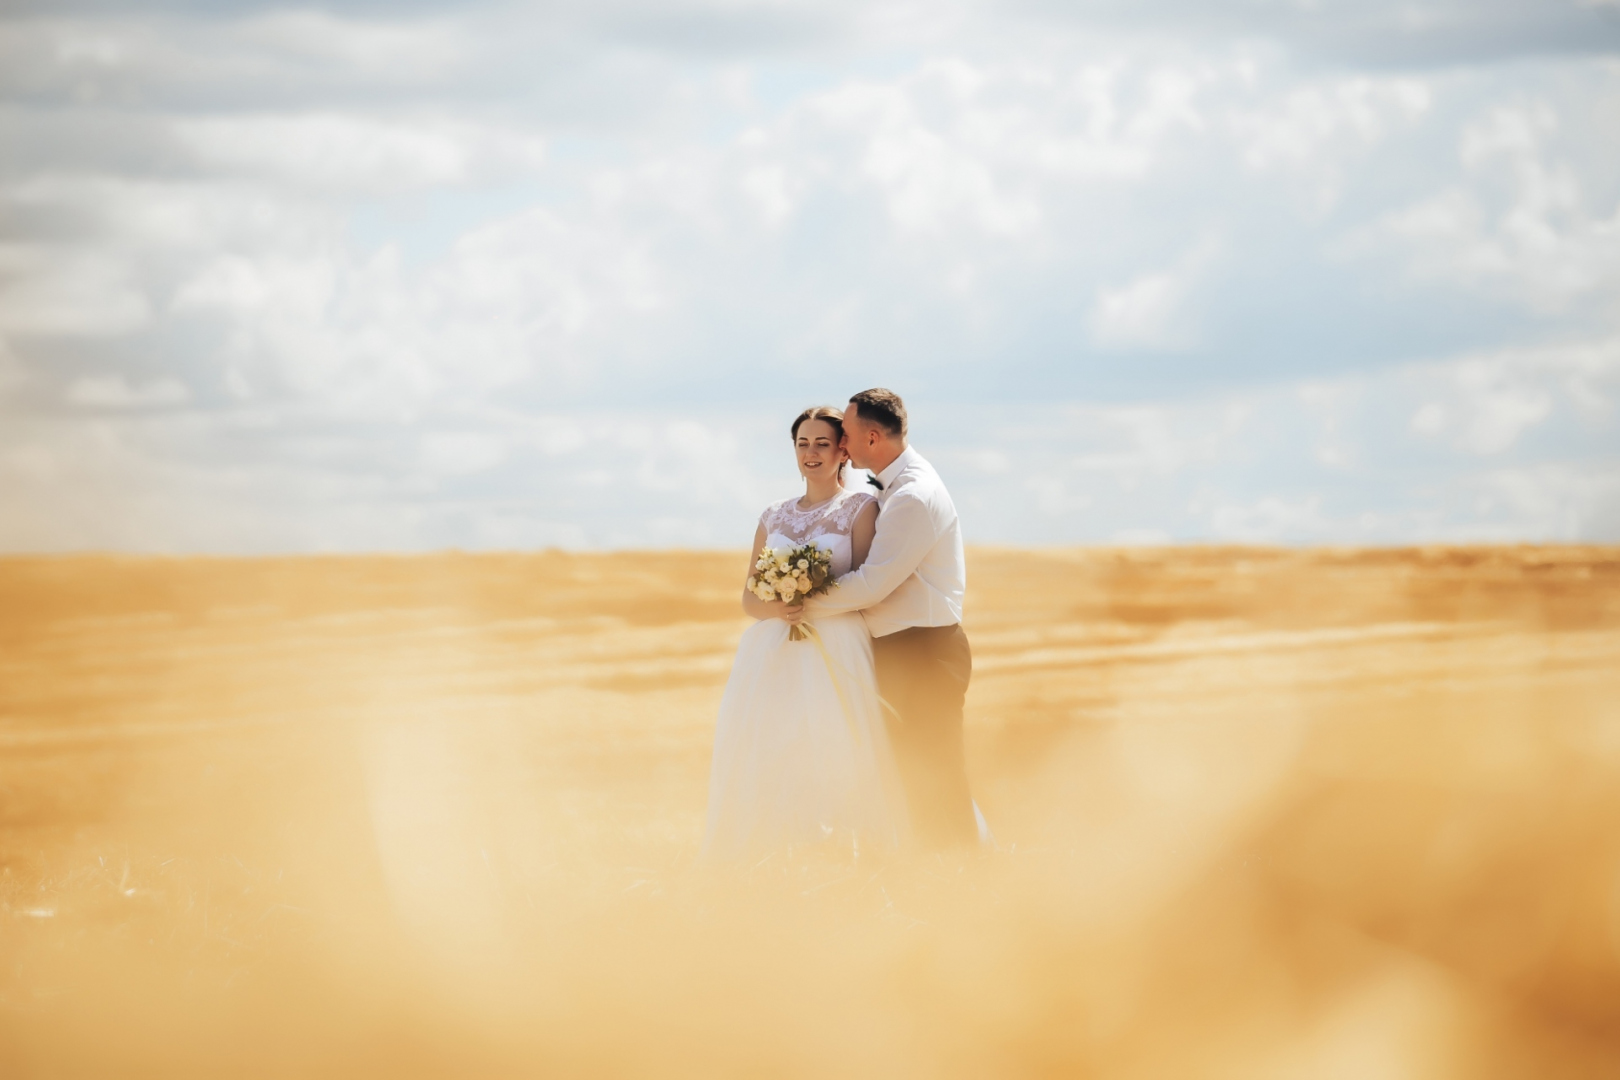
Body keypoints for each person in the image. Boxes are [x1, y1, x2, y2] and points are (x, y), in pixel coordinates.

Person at [701, 406, 907, 860]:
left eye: (822, 444)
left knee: (836, 745)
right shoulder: (773, 516)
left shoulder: (861, 508)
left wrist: (813, 598)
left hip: (836, 645)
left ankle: (851, 852)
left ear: (842, 452)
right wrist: (782, 606)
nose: (811, 453)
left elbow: (866, 585)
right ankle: (777, 854)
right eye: (802, 444)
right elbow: (749, 600)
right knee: (772, 747)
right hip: (774, 651)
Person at [790, 388, 985, 850]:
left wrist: (799, 603)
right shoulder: (898, 486)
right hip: (905, 648)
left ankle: (960, 870)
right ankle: (939, 865)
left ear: (872, 438)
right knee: (911, 768)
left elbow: (874, 583)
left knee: (935, 767)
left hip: (923, 651)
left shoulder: (913, 497)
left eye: (846, 438)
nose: (841, 447)